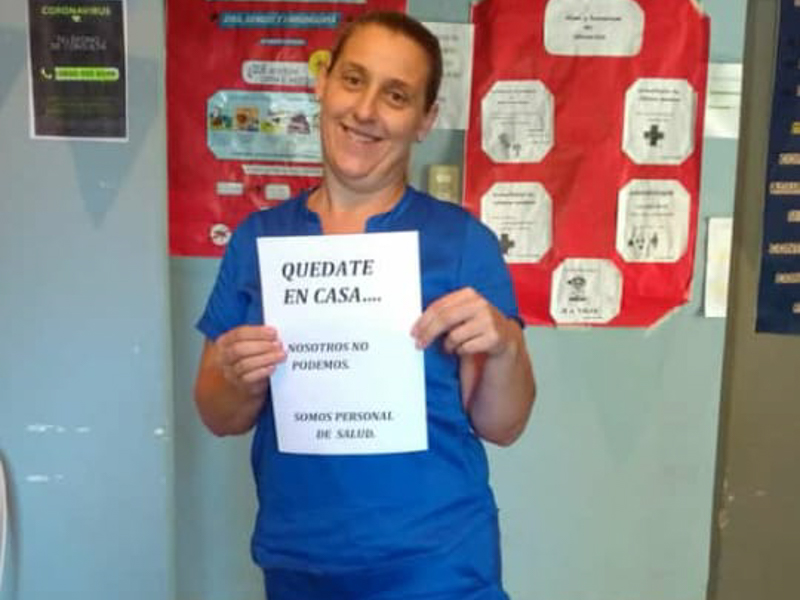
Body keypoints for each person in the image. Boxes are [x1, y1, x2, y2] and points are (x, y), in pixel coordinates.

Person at [194, 11, 536, 600]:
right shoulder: (258, 241)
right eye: (353, 80)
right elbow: (218, 415)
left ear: (425, 120)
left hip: (440, 568)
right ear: (322, 84)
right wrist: (235, 375)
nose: (366, 110)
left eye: (396, 95)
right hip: (301, 565)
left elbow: (504, 426)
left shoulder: (461, 243)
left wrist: (504, 344)